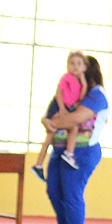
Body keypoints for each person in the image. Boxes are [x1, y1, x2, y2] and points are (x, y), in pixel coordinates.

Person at [42, 55, 109, 224]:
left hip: (82, 151)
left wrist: (52, 123)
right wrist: (46, 119)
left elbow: (76, 118)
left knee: (72, 193)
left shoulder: (97, 95)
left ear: (88, 71)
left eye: (80, 67)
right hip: (59, 150)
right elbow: (53, 110)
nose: (74, 70)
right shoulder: (72, 90)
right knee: (54, 191)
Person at [32, 50, 88, 181]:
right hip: (58, 106)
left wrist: (83, 81)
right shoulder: (66, 77)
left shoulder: (79, 82)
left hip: (67, 108)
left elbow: (81, 97)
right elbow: (59, 93)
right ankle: (67, 154)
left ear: (84, 67)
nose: (75, 67)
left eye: (79, 64)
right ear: (67, 65)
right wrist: (62, 108)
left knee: (54, 134)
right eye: (72, 63)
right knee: (64, 129)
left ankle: (39, 164)